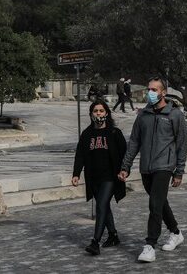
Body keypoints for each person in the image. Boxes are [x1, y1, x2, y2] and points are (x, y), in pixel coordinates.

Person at [118, 76, 187, 263]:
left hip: (164, 166)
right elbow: (134, 142)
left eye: (154, 90)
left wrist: (179, 171)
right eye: (149, 89)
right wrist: (126, 166)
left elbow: (181, 144)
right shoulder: (143, 115)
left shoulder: (175, 115)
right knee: (159, 202)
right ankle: (176, 232)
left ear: (163, 92)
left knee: (154, 205)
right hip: (146, 168)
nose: (150, 92)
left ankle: (149, 245)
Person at [72, 100, 127, 256]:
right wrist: (76, 174)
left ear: (106, 113)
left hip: (110, 177)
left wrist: (125, 170)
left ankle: (95, 242)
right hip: (93, 178)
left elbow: (125, 154)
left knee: (101, 205)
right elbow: (80, 155)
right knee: (104, 207)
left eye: (101, 111)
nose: (98, 114)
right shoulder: (87, 134)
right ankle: (113, 235)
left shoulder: (115, 133)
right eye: (95, 111)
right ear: (91, 114)